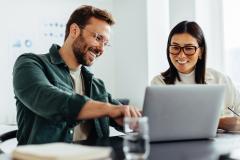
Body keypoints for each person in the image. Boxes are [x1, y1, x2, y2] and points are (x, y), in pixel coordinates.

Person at [13, 5, 141, 145]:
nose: (101, 49)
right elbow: (49, 99)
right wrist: (109, 109)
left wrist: (135, 117)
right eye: (98, 38)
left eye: (106, 43)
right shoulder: (30, 64)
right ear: (74, 30)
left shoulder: (97, 85)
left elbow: (122, 114)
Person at [151, 20, 240, 131]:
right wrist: (218, 123)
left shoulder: (221, 80)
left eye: (189, 48)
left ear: (201, 52)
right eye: (175, 47)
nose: (181, 55)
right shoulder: (159, 83)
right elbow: (161, 124)